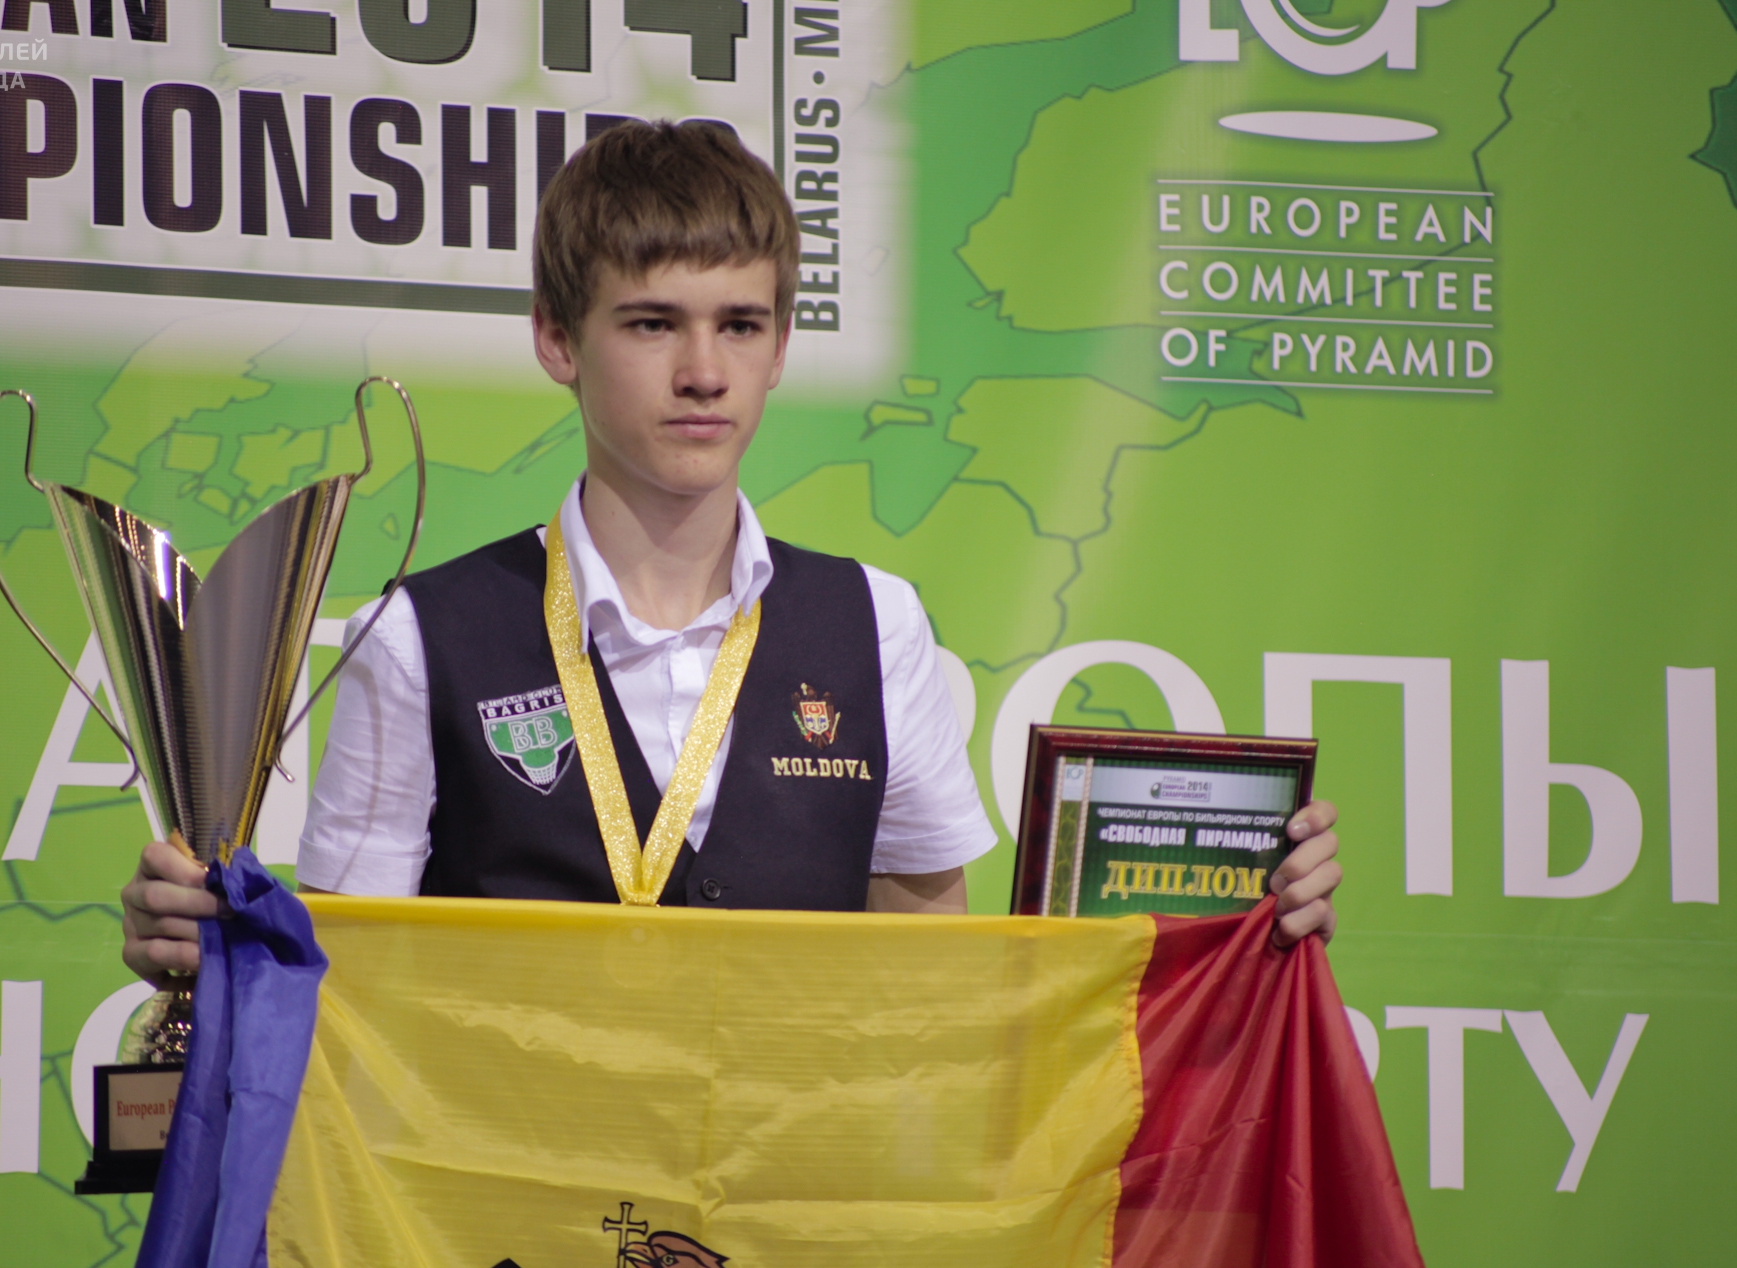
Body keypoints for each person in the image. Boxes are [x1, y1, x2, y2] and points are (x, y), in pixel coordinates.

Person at [118, 122, 1341, 979]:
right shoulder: (418, 634)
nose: (703, 371)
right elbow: (347, 982)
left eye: (739, 324)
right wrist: (204, 951)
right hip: (507, 1220)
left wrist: (1235, 927)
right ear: (556, 339)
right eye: (652, 323)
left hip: (793, 1212)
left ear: (780, 344)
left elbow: (935, 978)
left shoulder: (875, 623)